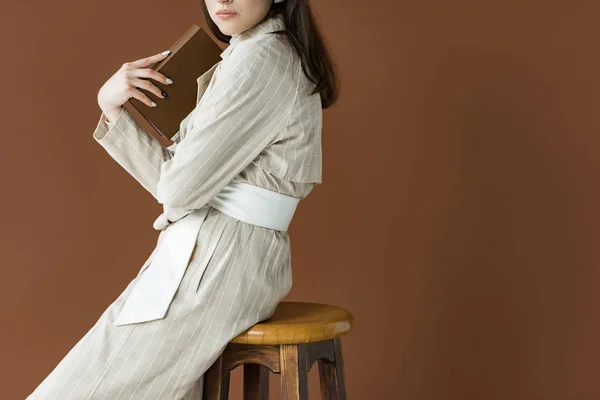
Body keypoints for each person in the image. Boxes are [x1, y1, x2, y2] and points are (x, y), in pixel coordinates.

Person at [26, 0, 338, 398]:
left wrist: (115, 113)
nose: (222, 0)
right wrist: (114, 111)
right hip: (229, 255)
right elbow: (179, 186)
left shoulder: (261, 58)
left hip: (220, 259)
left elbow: (178, 189)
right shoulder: (254, 51)